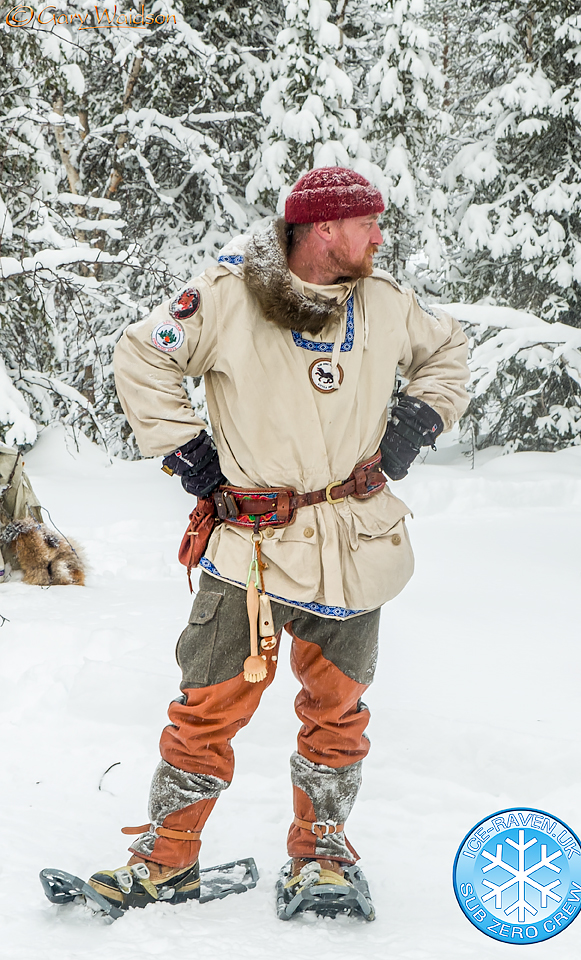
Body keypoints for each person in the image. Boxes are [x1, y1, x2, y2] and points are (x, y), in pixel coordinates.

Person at [90, 167, 470, 916]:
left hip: (356, 550)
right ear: (325, 230)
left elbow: (447, 352)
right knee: (206, 710)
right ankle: (167, 860)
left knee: (338, 715)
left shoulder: (386, 304)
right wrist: (187, 454)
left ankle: (321, 856)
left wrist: (414, 426)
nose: (379, 236)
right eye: (368, 224)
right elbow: (143, 355)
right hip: (253, 553)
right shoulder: (225, 298)